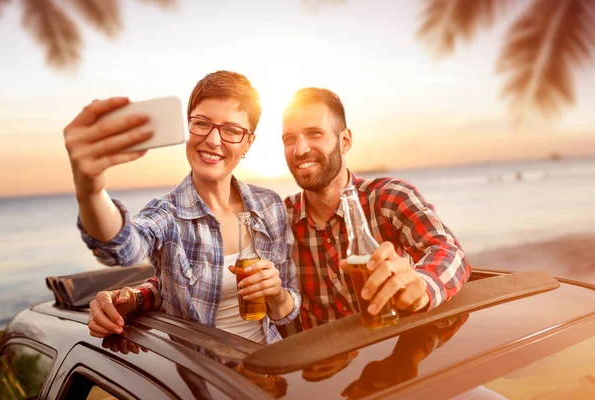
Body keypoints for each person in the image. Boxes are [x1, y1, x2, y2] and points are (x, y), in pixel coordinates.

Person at [64, 70, 300, 344]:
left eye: (232, 130)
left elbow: (289, 306)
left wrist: (278, 296)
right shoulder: (167, 215)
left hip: (270, 368)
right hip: (199, 379)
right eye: (201, 124)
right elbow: (123, 248)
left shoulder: (269, 205)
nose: (213, 140)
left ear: (248, 142)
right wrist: (90, 190)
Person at [280, 88, 471, 331]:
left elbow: (448, 250)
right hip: (324, 364)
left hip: (392, 353)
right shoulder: (281, 219)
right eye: (289, 139)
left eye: (314, 134)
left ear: (345, 140)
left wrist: (421, 286)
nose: (300, 150)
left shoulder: (389, 197)